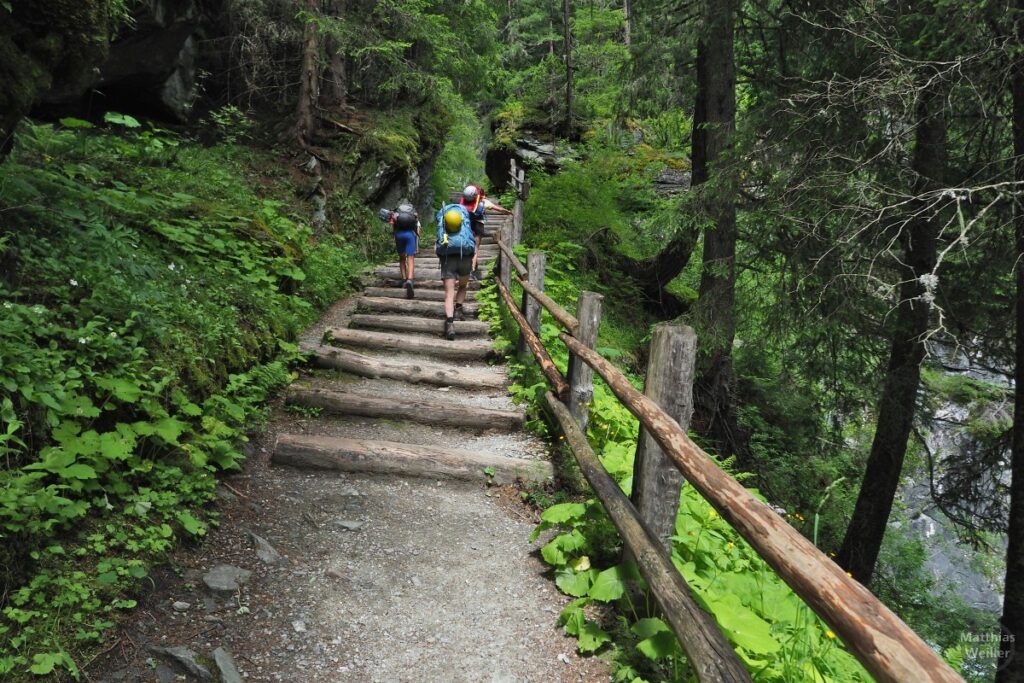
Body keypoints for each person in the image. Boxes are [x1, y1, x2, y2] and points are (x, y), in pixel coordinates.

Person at [434, 202, 477, 340]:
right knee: (463, 286)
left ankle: (450, 324)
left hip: (447, 260)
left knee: (448, 294)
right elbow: (473, 244)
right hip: (464, 258)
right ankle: (458, 309)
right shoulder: (464, 225)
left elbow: (437, 249)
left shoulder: (444, 227)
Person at [459, 184, 512, 276]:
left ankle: (460, 266)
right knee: (475, 249)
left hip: (465, 226)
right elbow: (498, 209)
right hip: (478, 227)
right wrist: (509, 212)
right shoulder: (483, 201)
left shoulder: (462, 203)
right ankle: (471, 270)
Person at [377, 202, 420, 299]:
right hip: (410, 235)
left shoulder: (396, 212)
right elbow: (416, 224)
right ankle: (410, 280)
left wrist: (394, 234)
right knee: (410, 258)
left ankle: (404, 279)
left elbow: (393, 225)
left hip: (399, 235)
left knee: (401, 258)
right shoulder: (413, 212)